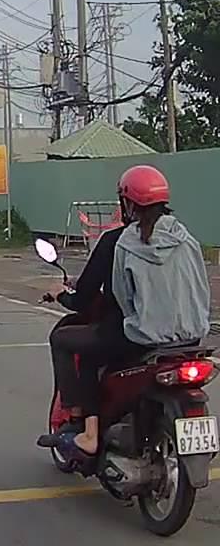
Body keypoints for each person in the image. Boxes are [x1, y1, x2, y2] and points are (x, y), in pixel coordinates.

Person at [40, 165, 212, 459]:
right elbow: (200, 286)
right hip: (190, 335)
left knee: (70, 343)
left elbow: (119, 296)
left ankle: (87, 430)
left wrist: (63, 293)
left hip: (141, 336)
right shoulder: (186, 238)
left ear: (127, 203)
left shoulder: (121, 241)